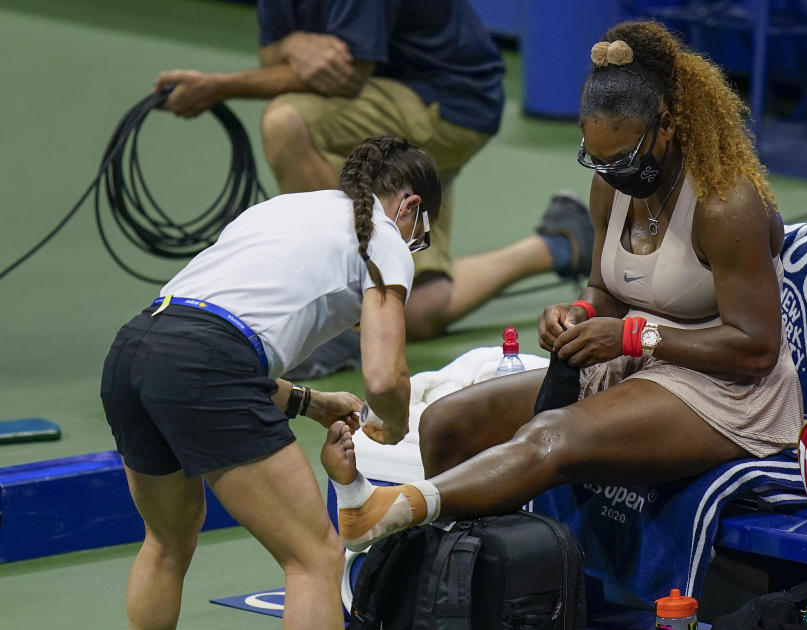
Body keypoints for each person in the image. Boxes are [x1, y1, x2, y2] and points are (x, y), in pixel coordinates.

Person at [323, 20, 804, 552]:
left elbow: (757, 349)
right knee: (445, 423)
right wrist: (577, 311)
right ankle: (468, 583)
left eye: (622, 158)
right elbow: (605, 289)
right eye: (595, 157)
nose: (608, 172)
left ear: (666, 125)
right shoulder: (609, 186)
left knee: (550, 438)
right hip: (639, 362)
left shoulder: (723, 205)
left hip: (728, 392)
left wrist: (629, 338)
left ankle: (396, 509)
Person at [99, 136, 441, 630]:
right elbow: (385, 377)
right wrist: (390, 425)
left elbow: (206, 335)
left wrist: (308, 400)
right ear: (410, 206)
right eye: (421, 233)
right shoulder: (385, 238)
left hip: (134, 350)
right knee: (315, 557)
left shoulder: (283, 209)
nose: (413, 243)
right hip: (203, 364)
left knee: (168, 543)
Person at [154, 0, 594, 375]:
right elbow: (273, 53)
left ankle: (344, 321)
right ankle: (560, 241)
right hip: (387, 103)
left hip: (448, 104)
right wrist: (292, 45)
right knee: (416, 310)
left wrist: (218, 88)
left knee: (287, 121)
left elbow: (348, 73)